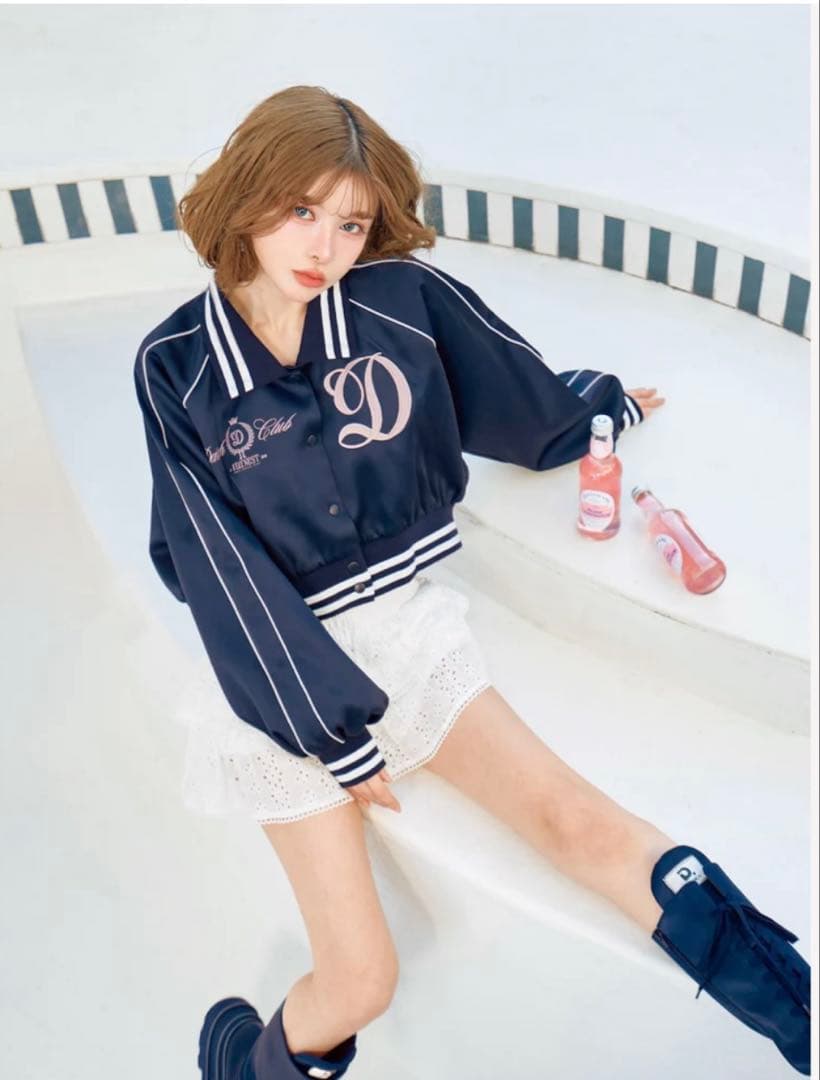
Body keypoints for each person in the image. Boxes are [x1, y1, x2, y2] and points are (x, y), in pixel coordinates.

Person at [133, 86, 810, 1079]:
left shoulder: (398, 303)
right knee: (360, 982)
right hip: (272, 680)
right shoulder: (175, 365)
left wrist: (597, 412)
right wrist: (328, 729)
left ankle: (805, 1022)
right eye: (302, 210)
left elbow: (511, 392)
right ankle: (246, 1065)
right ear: (249, 194)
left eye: (351, 222)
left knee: (580, 822)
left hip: (404, 634)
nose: (325, 246)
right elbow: (211, 562)